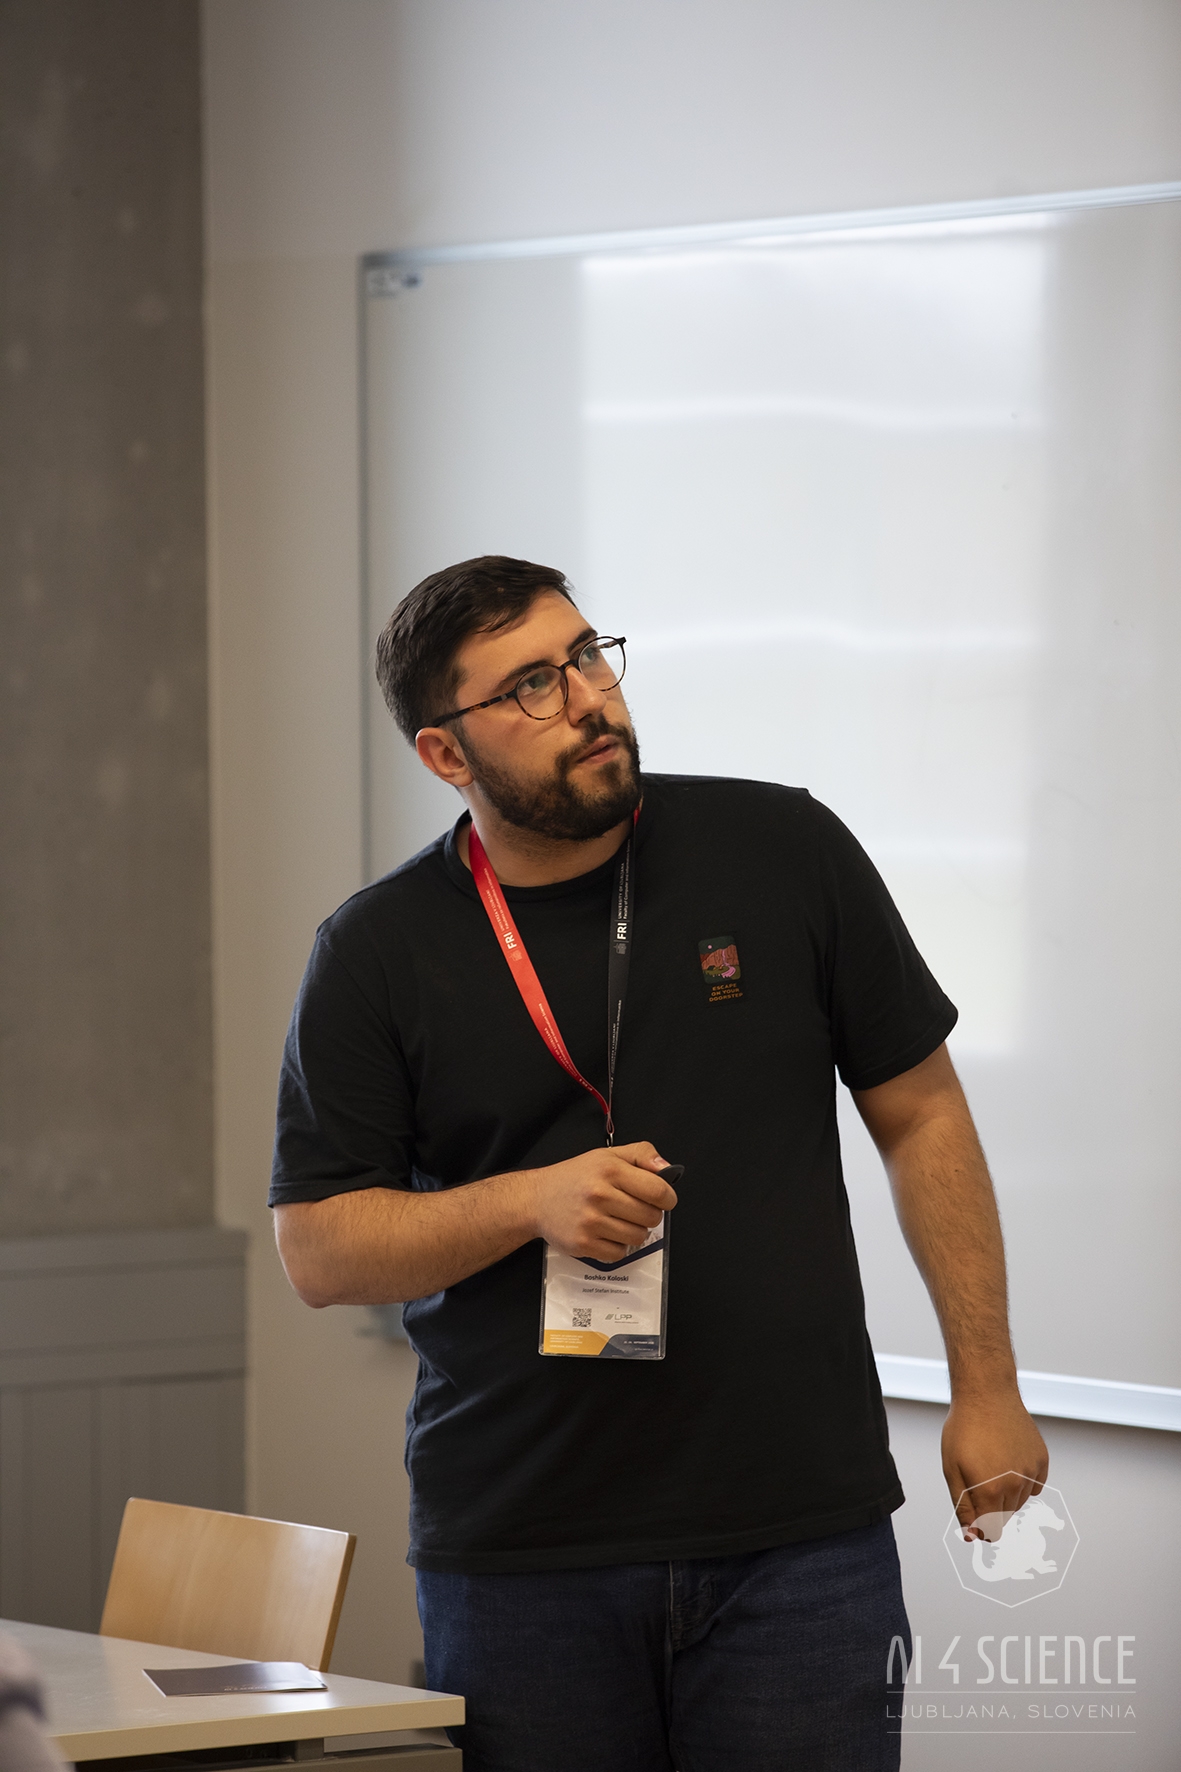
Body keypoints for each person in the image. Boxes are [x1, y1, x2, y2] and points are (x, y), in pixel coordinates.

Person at [271, 555, 1048, 1772]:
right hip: (524, 1551)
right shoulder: (376, 949)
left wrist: (986, 1382)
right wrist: (528, 1202)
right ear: (443, 752)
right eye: (530, 684)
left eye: (587, 654)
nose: (588, 698)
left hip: (798, 1534)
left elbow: (921, 1113)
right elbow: (320, 1248)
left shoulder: (781, 848)